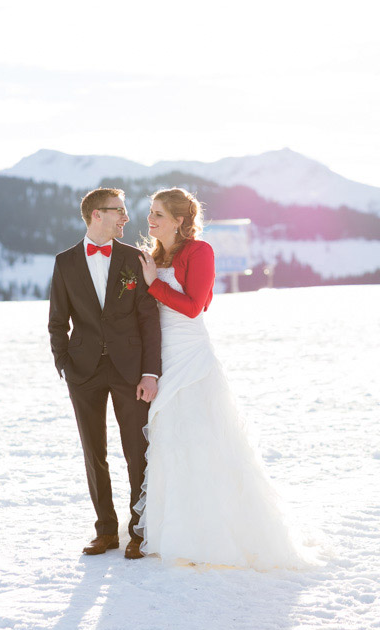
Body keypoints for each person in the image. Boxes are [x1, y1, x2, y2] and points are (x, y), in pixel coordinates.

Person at [135, 188, 311, 570]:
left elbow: (195, 306)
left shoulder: (200, 252)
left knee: (202, 439)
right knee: (171, 443)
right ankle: (172, 531)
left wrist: (153, 283)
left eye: (159, 214)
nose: (151, 220)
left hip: (191, 357)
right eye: (151, 213)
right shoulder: (155, 256)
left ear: (180, 220)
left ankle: (212, 536)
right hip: (161, 358)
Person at [48, 187, 162, 560]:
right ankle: (105, 532)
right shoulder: (65, 262)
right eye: (119, 212)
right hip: (83, 373)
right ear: (97, 215)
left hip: (128, 370)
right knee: (93, 453)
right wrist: (64, 362)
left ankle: (138, 531)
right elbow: (57, 322)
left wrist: (149, 372)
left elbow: (148, 319)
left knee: (136, 452)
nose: (126, 219)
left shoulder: (135, 259)